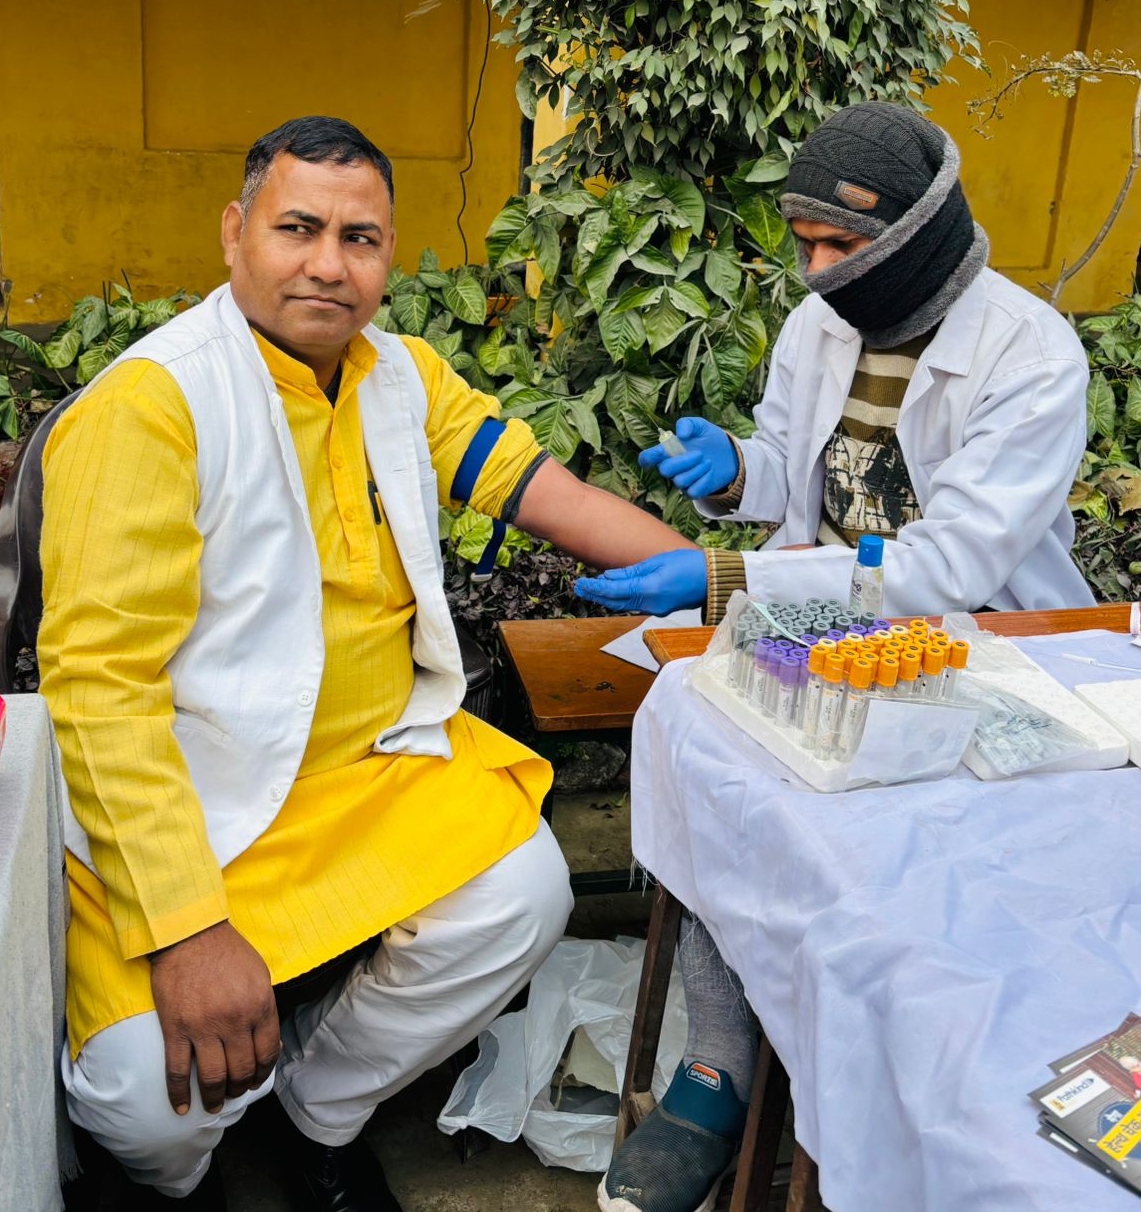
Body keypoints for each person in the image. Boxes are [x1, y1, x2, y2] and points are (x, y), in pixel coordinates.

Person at [38, 116, 689, 1210]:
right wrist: (188, 930)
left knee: (525, 897)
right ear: (235, 233)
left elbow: (543, 491)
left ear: (389, 256)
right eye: (297, 229)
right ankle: (183, 1175)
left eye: (361, 238)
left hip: (373, 768)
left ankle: (317, 1109)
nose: (330, 265)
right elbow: (100, 692)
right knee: (148, 1106)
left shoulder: (399, 375)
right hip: (197, 797)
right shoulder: (152, 407)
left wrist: (717, 582)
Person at [578, 100, 1093, 1212]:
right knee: (716, 771)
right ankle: (720, 1064)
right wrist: (735, 471)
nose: (815, 272)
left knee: (903, 861)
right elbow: (793, 466)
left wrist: (723, 578)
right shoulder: (822, 321)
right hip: (821, 628)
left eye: (839, 246)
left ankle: (882, 1083)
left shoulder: (1031, 355)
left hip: (978, 649)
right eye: (804, 244)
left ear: (915, 239)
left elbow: (949, 566)